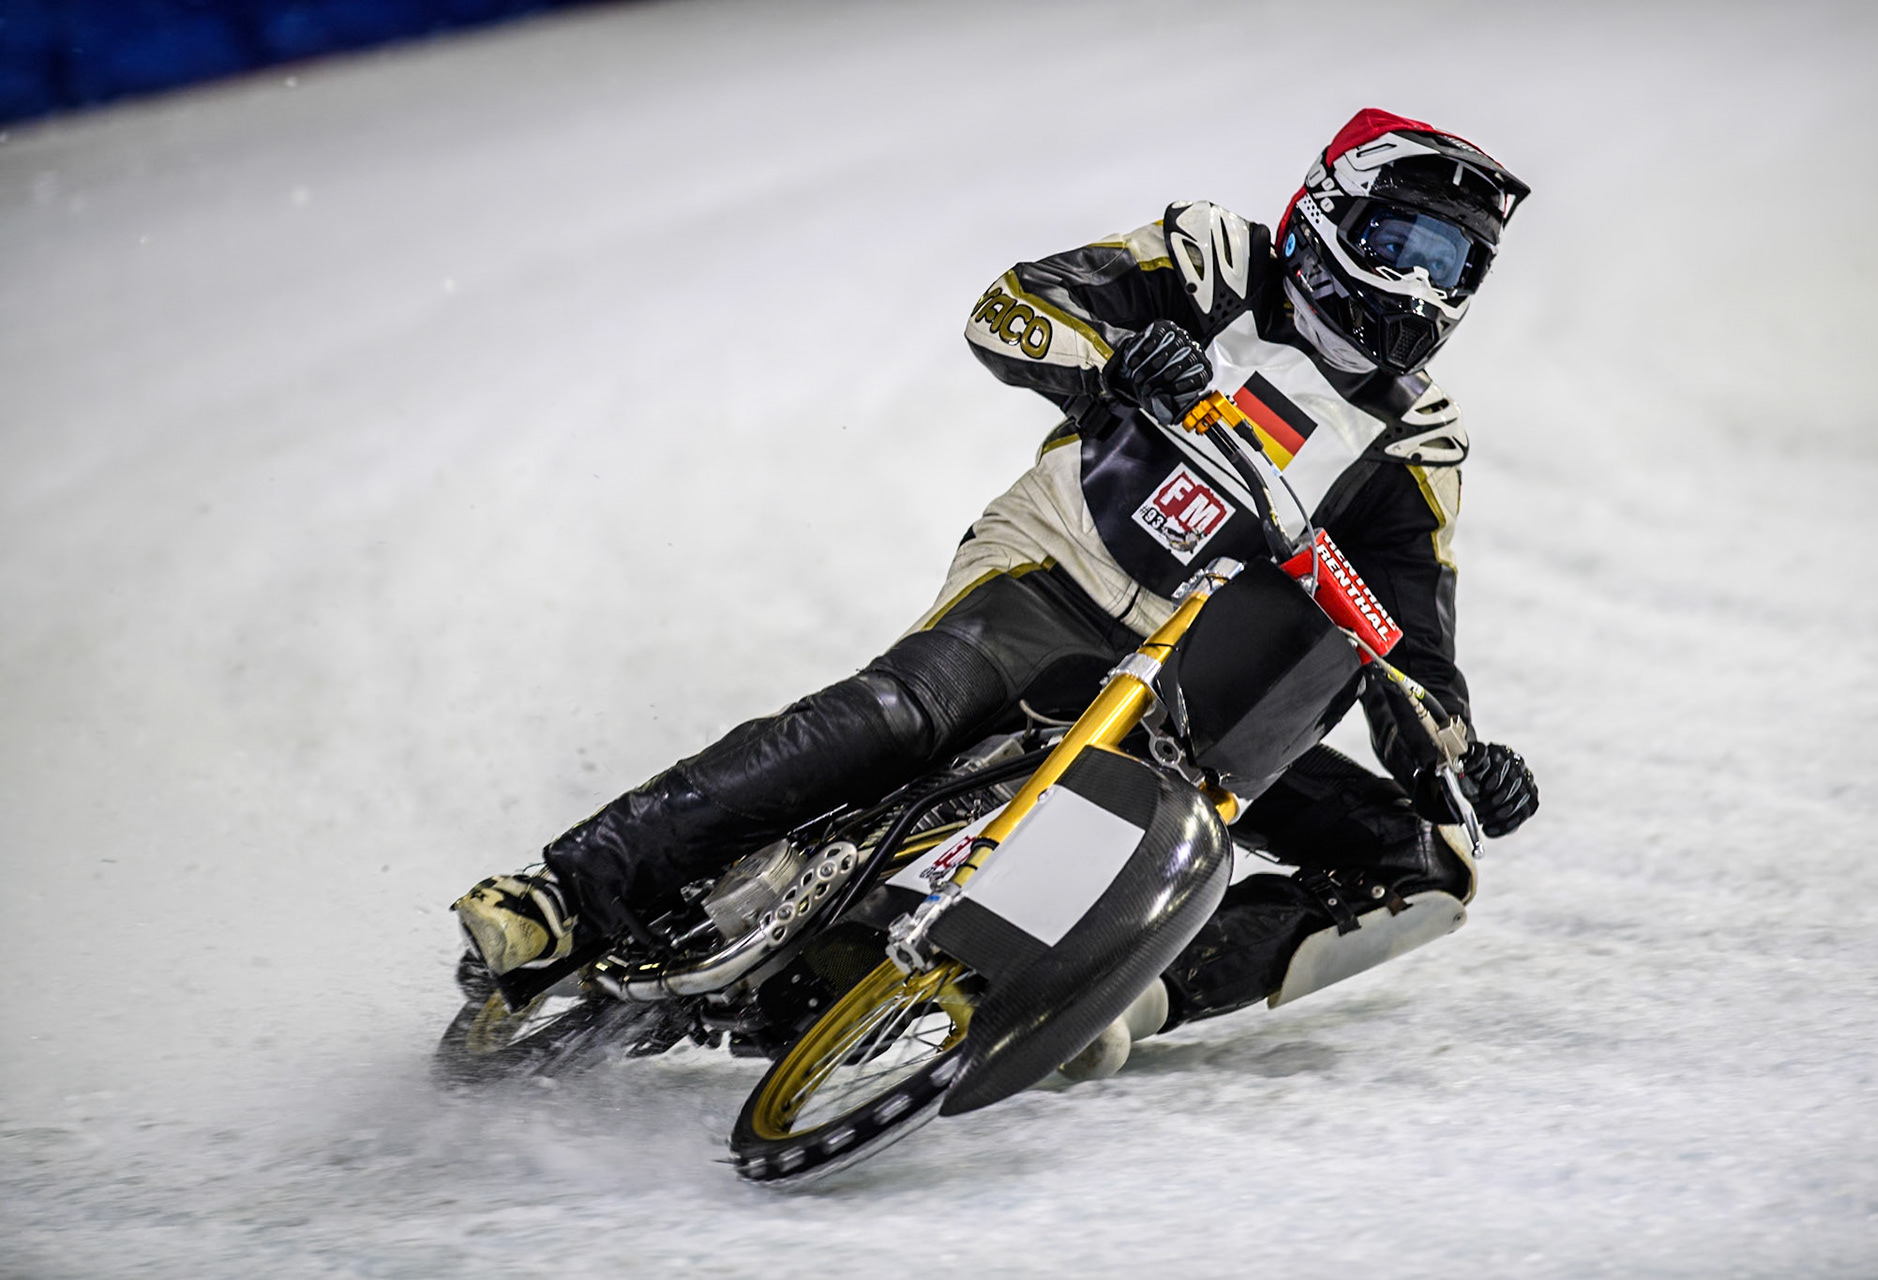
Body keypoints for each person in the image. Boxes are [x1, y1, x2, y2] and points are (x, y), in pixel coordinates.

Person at [453, 107, 1541, 1039]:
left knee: (1428, 865)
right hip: (1055, 570)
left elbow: (1411, 654)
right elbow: (1010, 307)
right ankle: (566, 892)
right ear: (1330, 211)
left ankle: (1114, 1004)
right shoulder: (1214, 256)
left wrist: (1465, 765)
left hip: (1188, 698)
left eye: (1449, 263)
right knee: (901, 711)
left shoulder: (1422, 442)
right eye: (1399, 240)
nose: (1415, 284)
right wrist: (1116, 358)